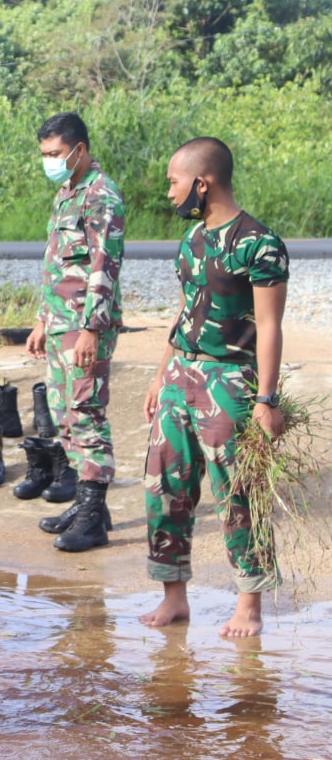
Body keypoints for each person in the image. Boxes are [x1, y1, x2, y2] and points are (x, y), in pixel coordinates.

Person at [138, 137, 288, 639]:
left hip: (232, 380)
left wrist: (266, 400)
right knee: (166, 485)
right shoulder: (193, 241)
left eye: (174, 183)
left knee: (238, 492)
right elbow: (186, 310)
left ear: (202, 183)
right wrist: (162, 374)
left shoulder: (258, 242)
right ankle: (174, 597)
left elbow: (269, 326)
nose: (169, 193)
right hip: (182, 375)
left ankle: (249, 604)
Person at [22, 112, 125, 552]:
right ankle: (89, 506)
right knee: (65, 413)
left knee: (85, 414)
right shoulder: (67, 193)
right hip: (61, 323)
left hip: (85, 326)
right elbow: (58, 264)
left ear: (79, 150)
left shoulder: (102, 196)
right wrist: (43, 320)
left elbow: (104, 267)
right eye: (45, 154)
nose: (50, 161)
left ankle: (91, 518)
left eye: (56, 154)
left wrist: (91, 329)